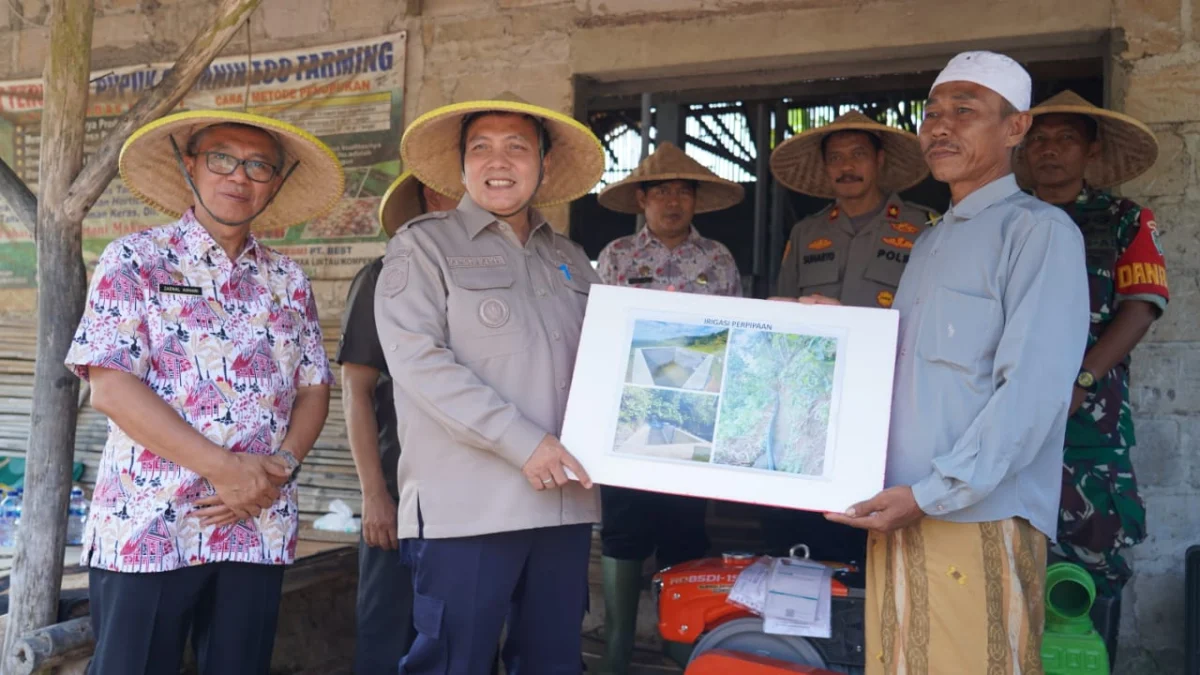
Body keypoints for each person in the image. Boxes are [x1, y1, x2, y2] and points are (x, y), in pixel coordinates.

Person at [799, 52, 1089, 673]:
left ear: (1017, 127)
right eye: (932, 113)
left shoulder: (1039, 232)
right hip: (898, 506)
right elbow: (902, 366)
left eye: (965, 111)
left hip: (975, 512)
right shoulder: (930, 239)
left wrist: (932, 493)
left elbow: (1033, 390)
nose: (940, 126)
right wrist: (834, 326)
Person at [66, 110, 342, 675]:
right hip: (150, 522)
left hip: (256, 526)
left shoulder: (288, 281)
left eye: (258, 165)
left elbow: (314, 387)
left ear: (276, 181)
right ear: (189, 166)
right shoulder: (136, 260)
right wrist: (224, 468)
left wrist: (282, 465)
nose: (238, 176)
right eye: (220, 158)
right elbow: (112, 388)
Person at [374, 92, 605, 674]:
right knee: (455, 663)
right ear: (461, 165)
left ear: (544, 165)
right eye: (481, 148)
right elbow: (418, 362)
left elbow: (614, 362)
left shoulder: (575, 261)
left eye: (517, 148)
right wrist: (522, 441)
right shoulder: (422, 246)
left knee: (553, 664)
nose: (498, 162)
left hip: (564, 506)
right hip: (467, 510)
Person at [592, 141, 745, 674]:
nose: (673, 201)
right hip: (627, 420)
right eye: (662, 191)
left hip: (693, 424)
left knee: (683, 531)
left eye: (684, 191)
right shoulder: (615, 257)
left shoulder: (718, 259)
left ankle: (679, 647)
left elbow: (737, 343)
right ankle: (615, 649)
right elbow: (597, 338)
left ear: (697, 200)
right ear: (641, 198)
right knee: (624, 529)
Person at [765, 111, 936, 564]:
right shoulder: (807, 233)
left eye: (858, 154)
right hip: (813, 405)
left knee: (881, 518)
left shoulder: (925, 229)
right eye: (836, 157)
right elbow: (783, 319)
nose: (846, 166)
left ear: (879, 160)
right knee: (811, 527)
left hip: (896, 401)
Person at [1017, 90, 1167, 600]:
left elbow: (1141, 308)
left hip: (1090, 423)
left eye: (1065, 139)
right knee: (1009, 563)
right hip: (1006, 415)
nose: (1050, 149)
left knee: (1089, 573)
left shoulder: (1124, 219)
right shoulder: (1004, 222)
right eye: (1038, 140)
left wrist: (1081, 381)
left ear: (1092, 151)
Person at [338, 170, 455, 674]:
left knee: (456, 639)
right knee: (389, 634)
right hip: (399, 489)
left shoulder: (490, 285)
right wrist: (373, 495)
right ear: (430, 193)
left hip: (476, 498)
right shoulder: (384, 276)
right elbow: (356, 391)